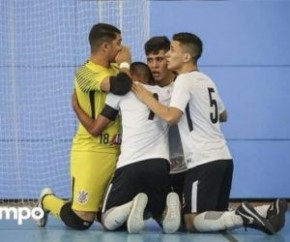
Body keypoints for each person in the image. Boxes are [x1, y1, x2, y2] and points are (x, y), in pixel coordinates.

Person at [132, 32, 288, 234]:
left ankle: (244, 215)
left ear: (186, 57)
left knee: (192, 221)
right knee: (213, 214)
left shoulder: (184, 81)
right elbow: (223, 115)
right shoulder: (206, 79)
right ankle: (267, 209)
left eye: (172, 50)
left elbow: (171, 117)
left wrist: (146, 97)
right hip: (223, 158)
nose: (169, 55)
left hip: (202, 161)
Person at [35, 23, 133, 230]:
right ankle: (46, 200)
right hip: (92, 151)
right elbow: (121, 86)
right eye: (119, 43)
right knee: (81, 220)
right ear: (105, 46)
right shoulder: (85, 72)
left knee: (115, 218)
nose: (122, 49)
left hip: (120, 151)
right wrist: (125, 63)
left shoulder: (116, 69)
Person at [71, 62, 181, 234]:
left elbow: (95, 129)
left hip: (131, 164)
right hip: (161, 165)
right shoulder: (168, 93)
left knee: (107, 219)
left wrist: (76, 107)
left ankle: (130, 206)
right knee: (158, 212)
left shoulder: (120, 93)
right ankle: (167, 210)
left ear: (132, 76)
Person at [144, 36, 187, 204]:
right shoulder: (145, 87)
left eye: (159, 59)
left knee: (187, 222)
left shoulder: (182, 86)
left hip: (183, 165)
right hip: (154, 166)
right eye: (150, 60)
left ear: (169, 59)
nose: (154, 65)